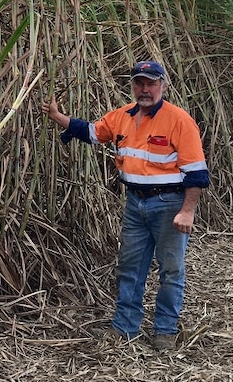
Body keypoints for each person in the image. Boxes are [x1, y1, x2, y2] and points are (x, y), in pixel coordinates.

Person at [41, 60, 210, 351]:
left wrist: (187, 210)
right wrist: (58, 117)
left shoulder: (179, 120)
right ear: (133, 86)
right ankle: (125, 327)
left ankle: (165, 331)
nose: (145, 89)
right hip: (135, 205)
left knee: (171, 270)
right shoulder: (122, 116)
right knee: (130, 267)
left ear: (163, 86)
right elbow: (92, 132)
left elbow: (196, 172)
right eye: (139, 83)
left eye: (151, 83)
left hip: (168, 205)